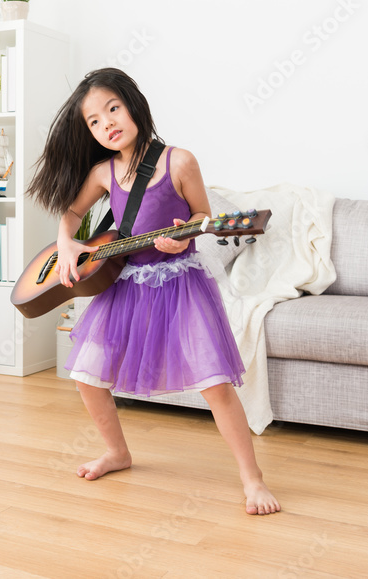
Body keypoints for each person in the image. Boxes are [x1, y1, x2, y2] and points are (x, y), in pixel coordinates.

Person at [26, 67, 280, 515]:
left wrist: (185, 236)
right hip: (126, 282)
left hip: (178, 281)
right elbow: (70, 211)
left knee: (216, 385)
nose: (107, 123)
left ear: (133, 104)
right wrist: (67, 243)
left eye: (113, 108)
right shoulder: (103, 172)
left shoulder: (179, 161)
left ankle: (252, 479)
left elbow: (202, 217)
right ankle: (118, 453)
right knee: (87, 376)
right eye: (94, 121)